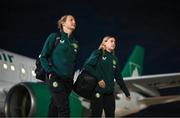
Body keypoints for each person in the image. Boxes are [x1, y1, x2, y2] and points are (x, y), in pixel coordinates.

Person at [40, 14, 79, 117]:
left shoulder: (75, 43)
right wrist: (50, 72)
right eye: (71, 20)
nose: (74, 22)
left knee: (54, 107)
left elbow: (73, 63)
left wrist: (71, 79)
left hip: (68, 81)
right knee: (64, 108)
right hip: (55, 77)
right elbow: (43, 56)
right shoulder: (55, 37)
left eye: (74, 20)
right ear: (63, 23)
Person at [83, 36, 131, 117]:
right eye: (111, 41)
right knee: (96, 115)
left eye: (115, 42)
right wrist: (99, 79)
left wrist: (126, 92)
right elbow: (87, 66)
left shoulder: (114, 59)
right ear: (104, 43)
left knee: (110, 115)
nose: (114, 43)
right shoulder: (98, 53)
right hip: (98, 92)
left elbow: (119, 77)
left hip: (109, 94)